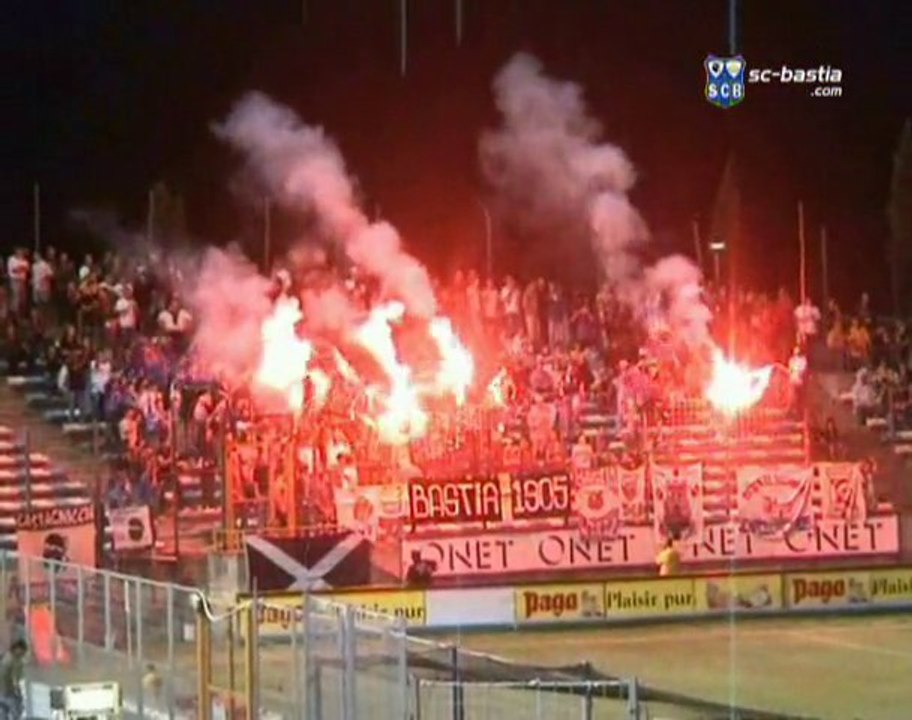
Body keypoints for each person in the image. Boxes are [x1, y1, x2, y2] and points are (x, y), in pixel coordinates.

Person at [0, 639, 27, 719]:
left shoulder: (5, 656)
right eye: (23, 651)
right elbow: (15, 680)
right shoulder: (16, 661)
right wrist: (18, 693)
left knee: (3, 714)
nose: (23, 654)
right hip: (9, 694)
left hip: (1, 693)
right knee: (16, 714)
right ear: (18, 649)